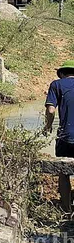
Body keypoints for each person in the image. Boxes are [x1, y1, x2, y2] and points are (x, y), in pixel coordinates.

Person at [44, 60, 74, 211]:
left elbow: (50, 110)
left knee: (64, 172)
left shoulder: (57, 85)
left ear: (62, 74)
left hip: (66, 137)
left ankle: (66, 208)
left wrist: (47, 127)